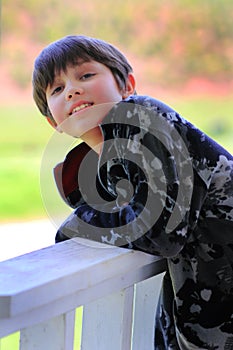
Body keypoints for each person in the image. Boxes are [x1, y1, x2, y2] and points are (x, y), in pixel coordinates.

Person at [32, 35, 233, 349]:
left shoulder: (142, 116)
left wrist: (77, 225)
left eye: (86, 75)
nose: (72, 89)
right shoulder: (105, 169)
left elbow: (162, 233)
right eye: (57, 89)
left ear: (127, 86)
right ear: (52, 121)